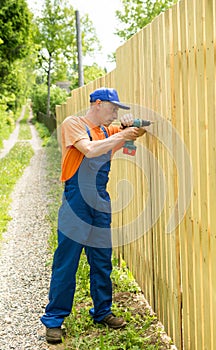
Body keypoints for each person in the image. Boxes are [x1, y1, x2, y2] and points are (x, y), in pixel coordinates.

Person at [41, 87, 146, 344]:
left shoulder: (108, 130)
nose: (114, 114)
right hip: (76, 201)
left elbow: (136, 136)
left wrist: (132, 126)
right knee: (67, 261)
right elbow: (89, 150)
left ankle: (102, 312)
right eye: (112, 108)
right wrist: (120, 135)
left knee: (101, 259)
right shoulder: (74, 124)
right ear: (97, 104)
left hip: (100, 199)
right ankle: (54, 320)